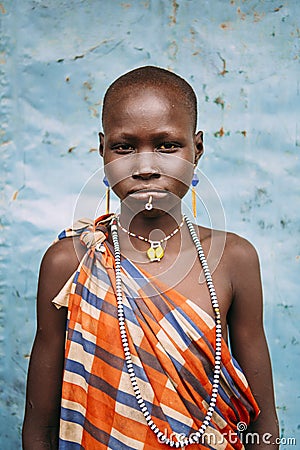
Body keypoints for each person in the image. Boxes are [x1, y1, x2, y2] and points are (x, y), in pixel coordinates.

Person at [22, 66, 279, 449]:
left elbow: (263, 422)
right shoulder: (68, 262)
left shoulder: (233, 260)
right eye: (124, 147)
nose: (145, 167)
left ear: (198, 150)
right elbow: (39, 425)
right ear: (102, 152)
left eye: (167, 146)